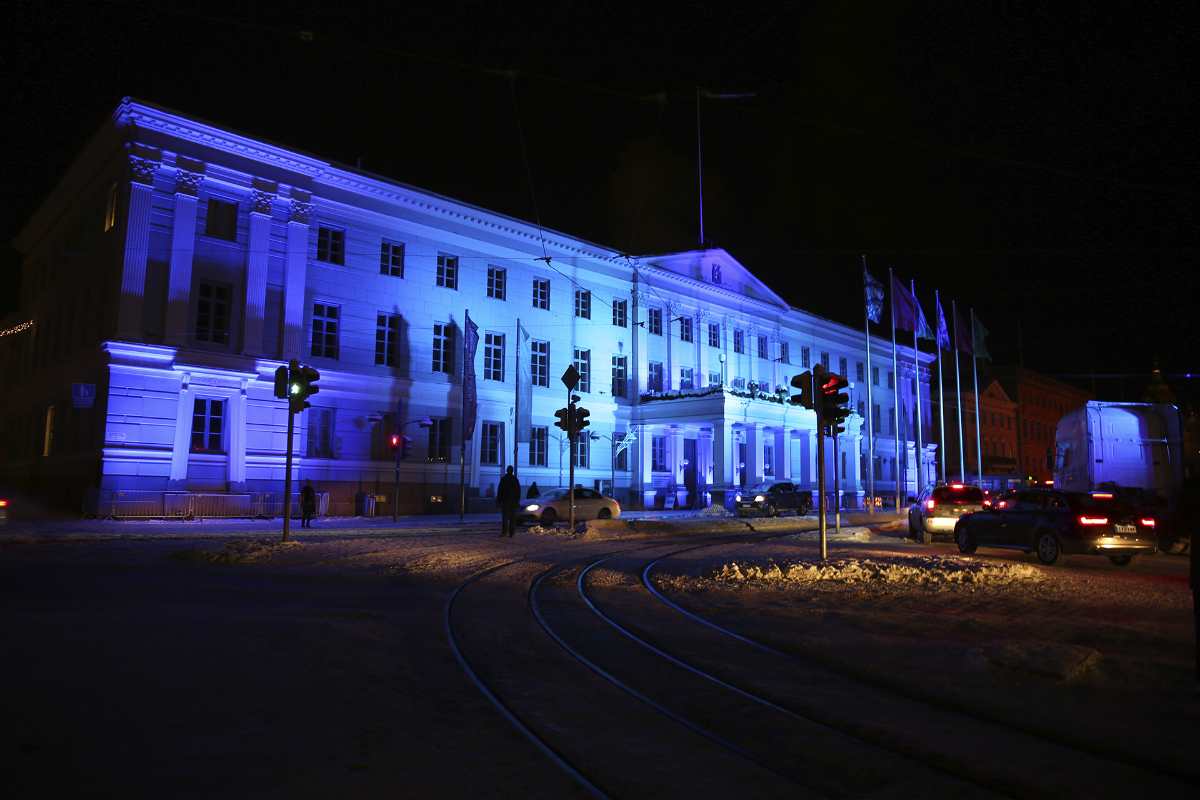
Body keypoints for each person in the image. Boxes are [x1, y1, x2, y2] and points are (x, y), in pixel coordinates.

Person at [497, 466, 521, 538]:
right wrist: (517, 501)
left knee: (505, 517)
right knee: (513, 517)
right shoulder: (515, 479)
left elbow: (500, 491)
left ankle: (504, 532)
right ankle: (512, 532)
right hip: (514, 501)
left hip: (506, 501)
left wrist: (499, 501)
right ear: (512, 471)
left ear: (507, 470)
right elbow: (519, 491)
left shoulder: (504, 479)